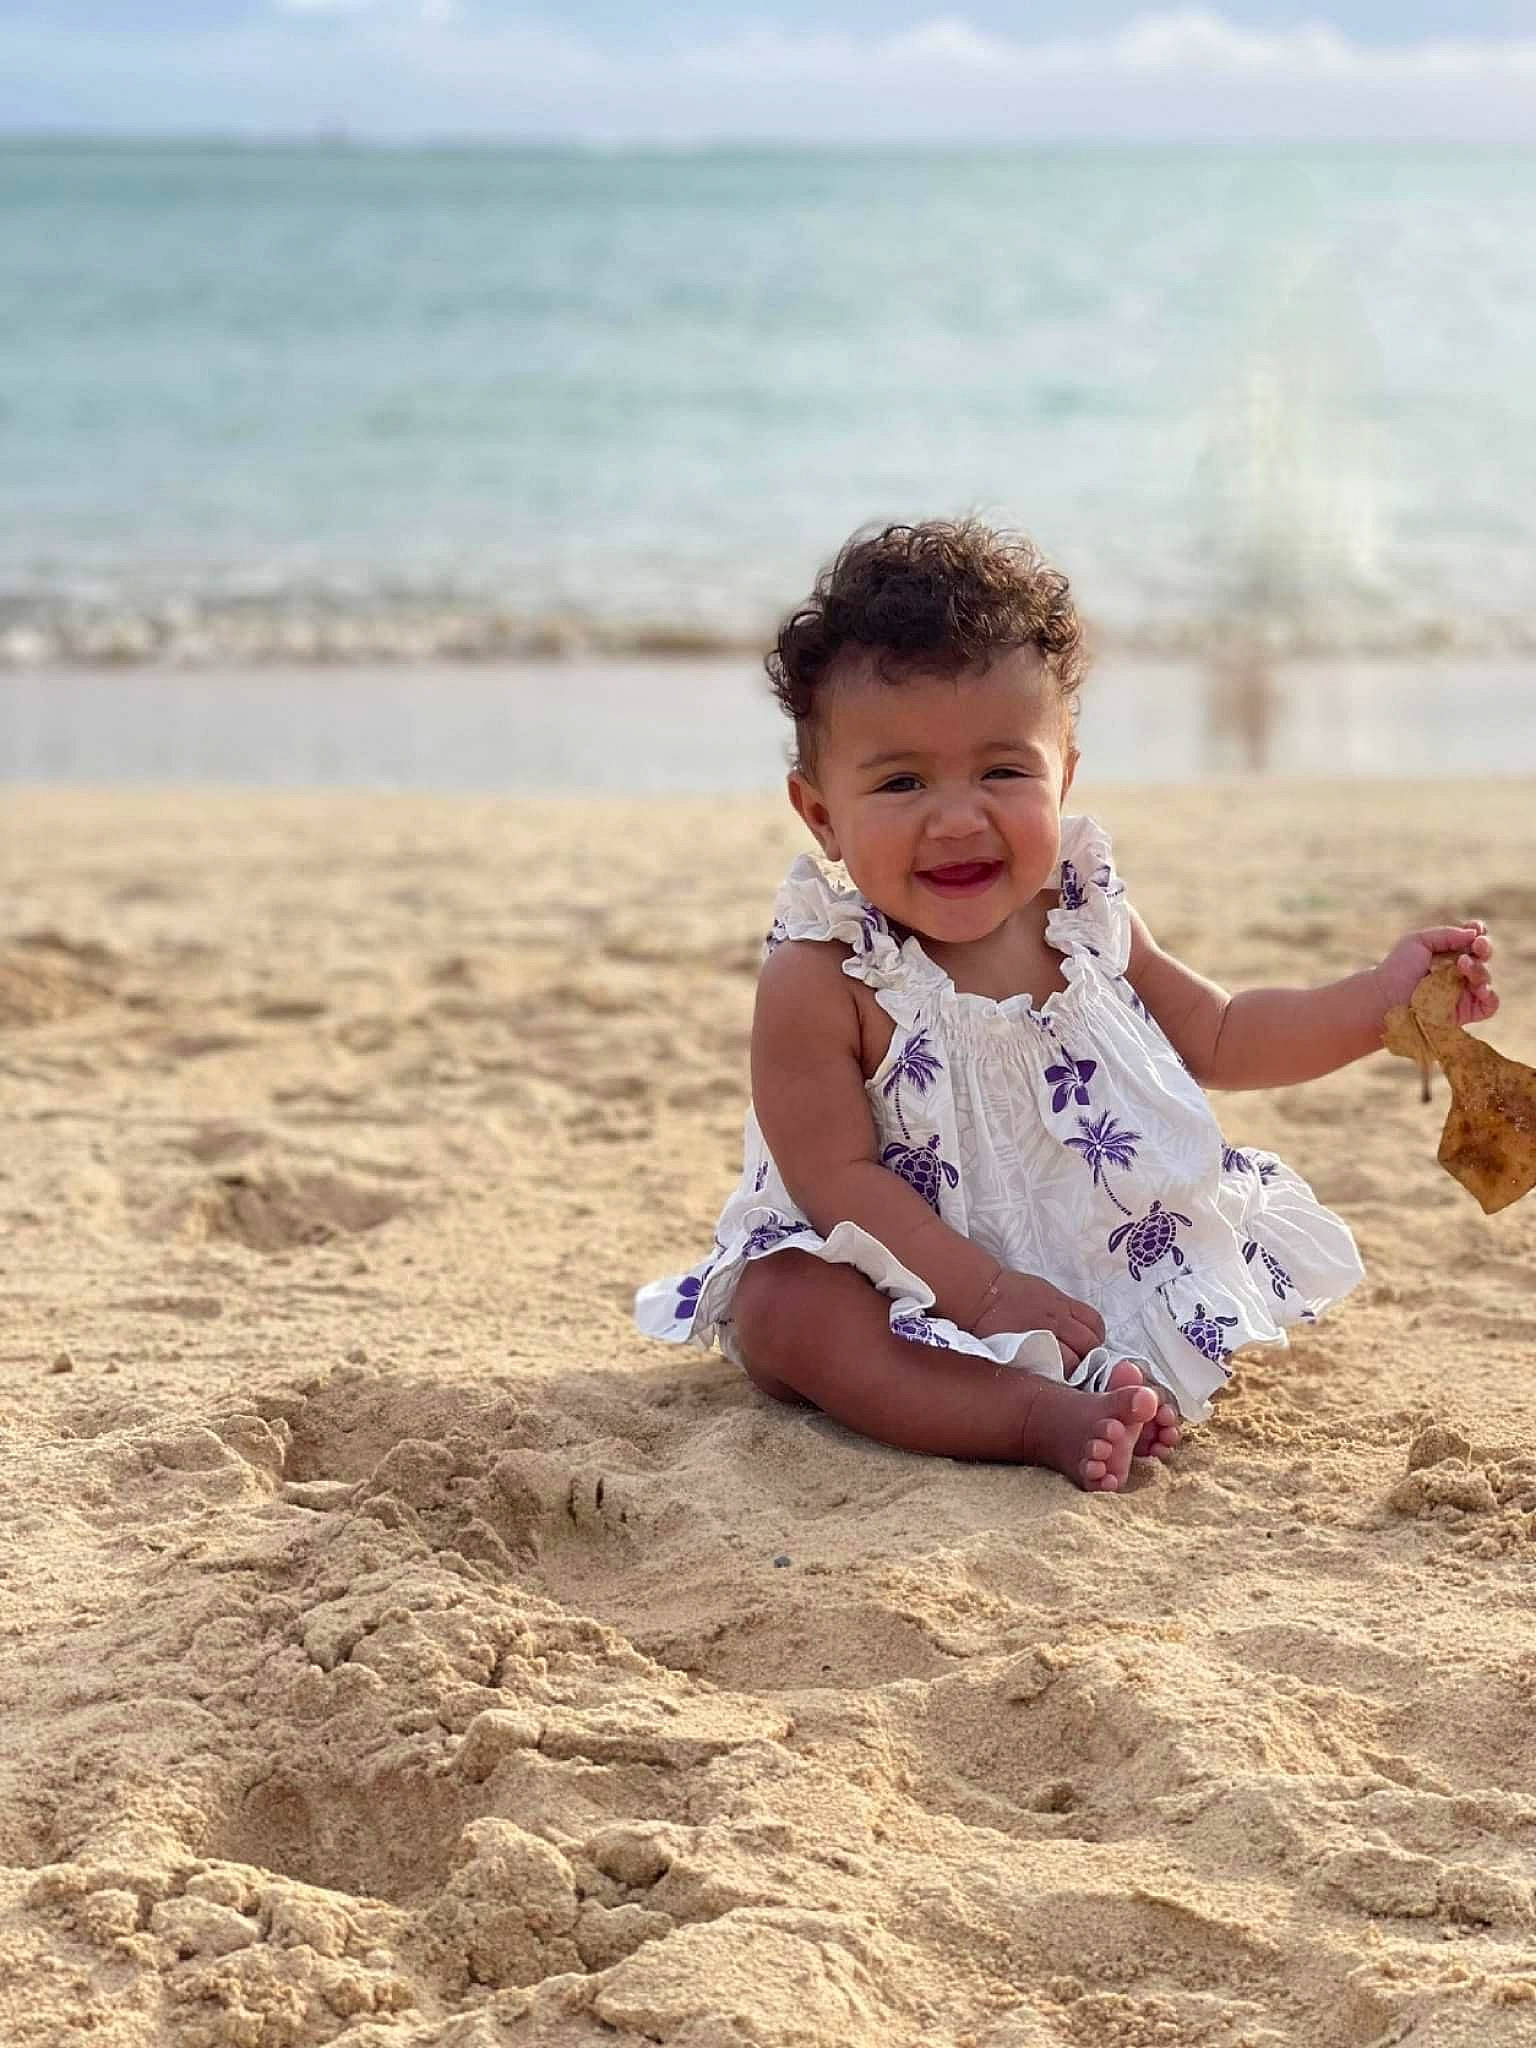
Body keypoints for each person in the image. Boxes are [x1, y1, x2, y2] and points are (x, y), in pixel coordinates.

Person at [634, 521, 1498, 1492]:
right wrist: (983, 1290)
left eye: (1003, 770)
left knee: (1123, 1280)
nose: (959, 815)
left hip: (1079, 1264)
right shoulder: (827, 971)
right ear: (821, 811)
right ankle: (1030, 1414)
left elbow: (1220, 1032)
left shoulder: (1080, 913)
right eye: (902, 781)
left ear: (1066, 772)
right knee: (787, 1309)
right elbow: (838, 1179)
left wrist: (1378, 1002)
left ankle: (1082, 1373)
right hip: (900, 1276)